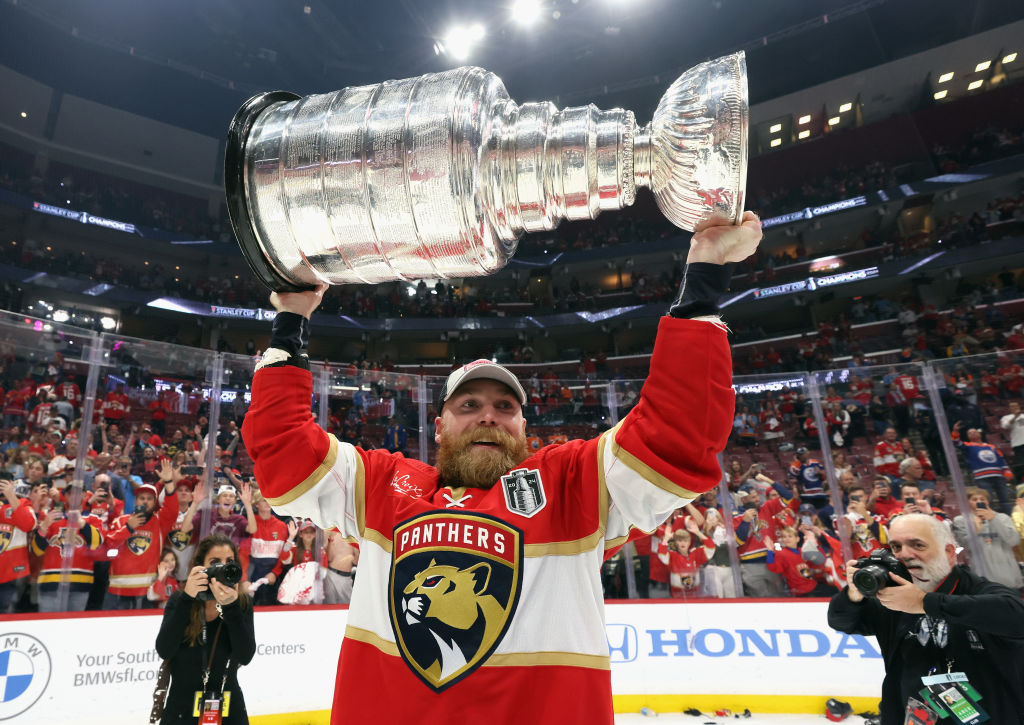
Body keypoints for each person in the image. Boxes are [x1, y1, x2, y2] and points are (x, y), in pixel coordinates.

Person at [241, 212, 761, 721]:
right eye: (468, 406)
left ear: (522, 429)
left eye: (504, 407)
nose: (488, 416)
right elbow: (284, 455)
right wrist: (291, 320)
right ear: (439, 427)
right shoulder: (383, 484)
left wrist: (704, 280)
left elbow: (680, 435)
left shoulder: (572, 484)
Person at [828, 514, 1024, 724]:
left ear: (949, 552)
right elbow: (841, 621)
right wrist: (854, 594)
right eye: (896, 547)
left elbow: (1016, 617)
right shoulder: (892, 597)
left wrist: (925, 603)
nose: (904, 554)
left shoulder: (978, 590)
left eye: (918, 545)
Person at [154, 534, 255, 724]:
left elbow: (245, 656)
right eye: (215, 562)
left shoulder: (242, 603)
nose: (223, 568)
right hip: (181, 709)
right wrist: (187, 598)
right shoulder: (180, 599)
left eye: (229, 562)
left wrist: (231, 607)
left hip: (228, 708)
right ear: (201, 567)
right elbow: (164, 649)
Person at [952, 487, 1022, 590]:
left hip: (1008, 575)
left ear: (987, 502)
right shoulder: (961, 520)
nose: (979, 501)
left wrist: (994, 520)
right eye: (975, 499)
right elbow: (966, 546)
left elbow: (1013, 540)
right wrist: (975, 530)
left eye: (982, 499)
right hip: (982, 576)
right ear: (967, 502)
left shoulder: (1002, 518)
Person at [951, 422, 1015, 513]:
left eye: (974, 432)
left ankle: (1009, 517)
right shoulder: (968, 446)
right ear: (968, 437)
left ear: (979, 434)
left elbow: (1000, 459)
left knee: (1005, 499)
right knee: (988, 500)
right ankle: (990, 518)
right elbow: (956, 442)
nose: (972, 433)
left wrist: (1007, 471)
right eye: (969, 433)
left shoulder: (991, 446)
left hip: (998, 475)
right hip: (982, 477)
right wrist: (955, 431)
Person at [0, 478, 37, 612]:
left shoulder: (23, 503)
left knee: (9, 618)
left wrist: (11, 495)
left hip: (14, 573)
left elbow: (28, 525)